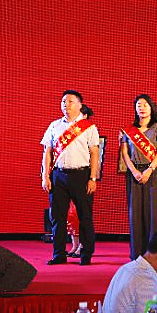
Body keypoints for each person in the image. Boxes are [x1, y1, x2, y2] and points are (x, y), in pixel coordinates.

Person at [41, 90, 100, 266]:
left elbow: (95, 153)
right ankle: (59, 254)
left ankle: (86, 254)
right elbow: (47, 152)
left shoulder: (89, 127)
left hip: (81, 175)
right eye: (63, 102)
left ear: (80, 105)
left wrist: (92, 178)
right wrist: (45, 176)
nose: (66, 105)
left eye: (70, 101)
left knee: (84, 216)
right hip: (58, 176)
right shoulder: (54, 126)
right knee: (57, 217)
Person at [120, 94, 157, 261]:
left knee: (153, 214)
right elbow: (125, 153)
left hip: (152, 173)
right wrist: (134, 171)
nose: (141, 108)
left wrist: (149, 170)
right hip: (134, 173)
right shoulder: (128, 130)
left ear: (151, 108)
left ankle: (153, 253)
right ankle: (136, 254)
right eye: (139, 105)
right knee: (135, 214)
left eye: (145, 105)